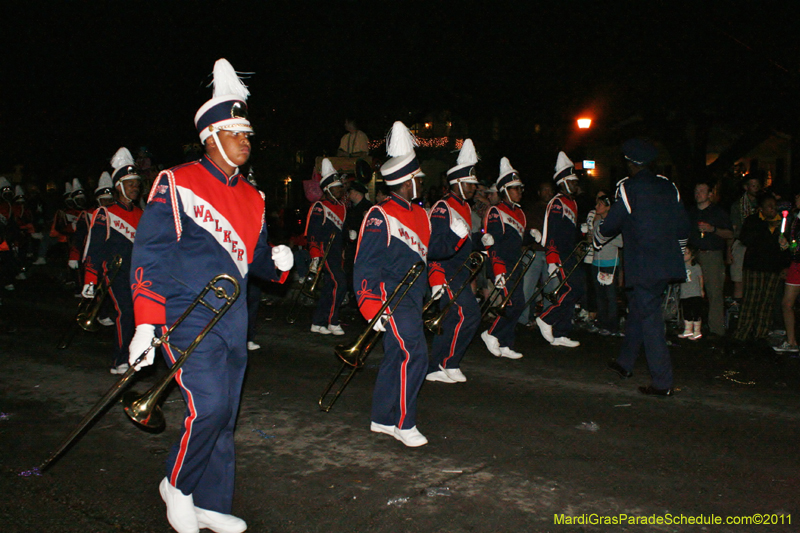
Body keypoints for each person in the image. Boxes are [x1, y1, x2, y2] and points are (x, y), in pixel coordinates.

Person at [127, 59, 294, 533]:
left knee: (225, 417)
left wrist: (278, 264)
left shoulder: (256, 198)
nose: (247, 140)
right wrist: (145, 322)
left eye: (248, 132)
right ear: (212, 136)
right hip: (185, 314)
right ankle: (176, 487)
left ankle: (211, 503)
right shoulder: (176, 181)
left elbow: (254, 262)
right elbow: (151, 254)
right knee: (210, 407)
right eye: (237, 131)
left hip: (234, 318)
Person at [354, 120, 430, 447]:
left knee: (395, 357)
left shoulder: (421, 214)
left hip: (413, 298)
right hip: (391, 299)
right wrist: (371, 305)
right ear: (405, 182)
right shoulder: (378, 215)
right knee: (415, 355)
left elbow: (426, 253)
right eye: (418, 179)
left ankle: (382, 418)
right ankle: (403, 422)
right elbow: (365, 265)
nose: (422, 182)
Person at [597, 138, 690, 397]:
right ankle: (625, 363)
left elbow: (612, 222)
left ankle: (662, 382)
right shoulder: (669, 186)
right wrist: (680, 251)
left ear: (631, 164)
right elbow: (683, 225)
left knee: (650, 322)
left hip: (643, 265)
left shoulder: (630, 188)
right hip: (666, 263)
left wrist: (597, 237)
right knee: (638, 310)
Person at [82, 148, 143, 373]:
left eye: (137, 184)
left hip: (138, 273)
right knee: (125, 312)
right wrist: (90, 279)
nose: (135, 188)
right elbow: (95, 249)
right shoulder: (104, 213)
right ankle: (120, 360)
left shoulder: (141, 214)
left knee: (141, 315)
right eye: (130, 184)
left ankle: (137, 354)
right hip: (115, 273)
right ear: (119, 186)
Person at [426, 139, 481, 383]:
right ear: (456, 183)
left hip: (460, 272)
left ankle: (439, 365)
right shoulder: (442, 207)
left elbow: (463, 243)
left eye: (473, 184)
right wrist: (436, 279)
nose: (473, 189)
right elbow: (434, 248)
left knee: (452, 318)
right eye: (468, 184)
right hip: (446, 271)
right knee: (469, 314)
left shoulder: (465, 208)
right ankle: (446, 362)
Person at [481, 157, 530, 359]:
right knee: (514, 303)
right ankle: (491, 333)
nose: (520, 192)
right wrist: (498, 270)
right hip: (501, 265)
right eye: (515, 188)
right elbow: (494, 244)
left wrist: (533, 236)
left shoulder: (520, 213)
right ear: (505, 191)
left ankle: (506, 344)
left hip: (515, 264)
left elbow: (518, 239)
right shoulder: (496, 211)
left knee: (517, 303)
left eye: (520, 188)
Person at [534, 152, 584, 348]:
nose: (575, 184)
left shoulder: (572, 203)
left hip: (570, 253)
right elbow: (552, 231)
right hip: (561, 255)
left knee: (573, 289)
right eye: (571, 181)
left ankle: (562, 332)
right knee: (572, 288)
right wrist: (552, 258)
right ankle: (546, 318)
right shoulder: (557, 202)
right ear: (563, 182)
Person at [732, 193, 789, 343]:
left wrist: (785, 262)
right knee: (751, 301)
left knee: (767, 303)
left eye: (774, 206)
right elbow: (747, 240)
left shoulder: (782, 223)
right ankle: (742, 334)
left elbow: (788, 246)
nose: (773, 209)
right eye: (769, 206)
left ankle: (761, 334)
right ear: (761, 209)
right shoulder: (753, 221)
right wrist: (767, 227)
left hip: (773, 269)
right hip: (755, 267)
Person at [305, 158, 347, 335]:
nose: (340, 190)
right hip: (325, 252)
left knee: (330, 287)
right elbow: (312, 233)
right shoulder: (319, 207)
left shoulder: (343, 207)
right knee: (341, 284)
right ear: (328, 189)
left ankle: (318, 321)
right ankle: (333, 320)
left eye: (340, 186)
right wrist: (315, 255)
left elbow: (342, 232)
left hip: (338, 253)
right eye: (336, 187)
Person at [688, 180, 733, 338]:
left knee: (714, 293)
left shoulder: (718, 212)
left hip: (711, 255)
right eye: (696, 190)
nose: (698, 193)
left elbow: (731, 234)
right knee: (690, 293)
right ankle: (691, 326)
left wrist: (712, 229)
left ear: (709, 194)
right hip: (693, 255)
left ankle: (716, 330)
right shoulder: (691, 212)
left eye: (701, 190)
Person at [519, 181, 554, 326]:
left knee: (550, 288)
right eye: (544, 190)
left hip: (550, 253)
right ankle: (522, 319)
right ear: (539, 193)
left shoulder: (555, 208)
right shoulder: (531, 209)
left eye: (550, 190)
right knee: (527, 287)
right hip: (533, 252)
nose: (548, 193)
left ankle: (547, 320)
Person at [592, 191, 623, 336]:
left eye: (600, 204)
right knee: (600, 296)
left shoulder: (615, 224)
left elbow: (622, 242)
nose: (597, 206)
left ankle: (613, 326)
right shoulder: (597, 222)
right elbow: (593, 240)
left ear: (608, 207)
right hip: (596, 263)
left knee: (611, 296)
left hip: (610, 264)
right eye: (597, 204)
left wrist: (605, 238)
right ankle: (602, 323)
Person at [729, 173, 761, 305]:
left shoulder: (763, 204)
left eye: (758, 185)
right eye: (753, 185)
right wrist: (729, 250)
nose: (756, 188)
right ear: (746, 187)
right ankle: (737, 308)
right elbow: (734, 229)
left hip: (759, 245)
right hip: (742, 244)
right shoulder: (738, 206)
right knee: (739, 278)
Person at [776, 191, 800, 353]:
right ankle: (792, 342)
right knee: (787, 303)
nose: (797, 199)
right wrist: (788, 246)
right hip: (797, 263)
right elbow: (794, 243)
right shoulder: (795, 217)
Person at [678, 245, 704, 340]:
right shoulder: (681, 266)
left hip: (694, 293)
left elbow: (700, 278)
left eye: (686, 253)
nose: (684, 255)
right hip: (685, 293)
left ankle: (697, 331)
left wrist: (701, 290)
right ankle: (688, 330)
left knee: (696, 312)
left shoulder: (696, 267)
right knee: (686, 312)